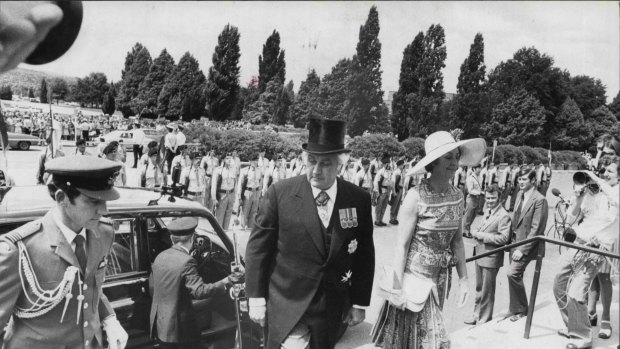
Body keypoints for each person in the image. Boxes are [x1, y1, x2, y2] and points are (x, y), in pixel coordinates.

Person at [245, 118, 375, 349]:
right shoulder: (280, 194)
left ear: (340, 165)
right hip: (286, 304)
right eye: (312, 161)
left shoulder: (358, 199)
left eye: (325, 164)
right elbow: (258, 250)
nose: (316, 170)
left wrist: (358, 301)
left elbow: (364, 255)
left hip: (331, 309)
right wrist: (256, 299)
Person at [0, 156, 128, 349]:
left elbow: (90, 285)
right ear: (62, 198)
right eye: (93, 201)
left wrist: (109, 318)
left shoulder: (103, 233)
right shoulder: (19, 249)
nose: (104, 210)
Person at [371, 130, 484, 348]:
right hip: (413, 280)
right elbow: (401, 247)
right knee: (426, 341)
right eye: (448, 157)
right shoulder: (415, 196)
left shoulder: (458, 196)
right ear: (433, 162)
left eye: (456, 157)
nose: (454, 163)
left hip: (440, 279)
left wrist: (463, 280)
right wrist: (396, 289)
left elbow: (458, 242)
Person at [553, 157, 619, 349]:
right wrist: (579, 197)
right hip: (579, 242)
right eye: (602, 171)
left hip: (596, 249)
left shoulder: (615, 193)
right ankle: (574, 326)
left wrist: (597, 181)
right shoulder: (592, 193)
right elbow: (571, 218)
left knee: (576, 293)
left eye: (610, 172)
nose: (604, 175)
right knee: (558, 284)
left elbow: (615, 200)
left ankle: (582, 338)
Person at [149, 217, 243, 349]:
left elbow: (153, 286)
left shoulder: (160, 256)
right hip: (180, 330)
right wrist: (227, 280)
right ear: (193, 238)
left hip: (161, 324)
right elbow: (199, 291)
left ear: (172, 239)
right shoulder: (187, 261)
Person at [465, 184, 511, 325]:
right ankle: (476, 315)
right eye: (488, 198)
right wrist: (477, 231)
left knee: (487, 291)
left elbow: (504, 238)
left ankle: (484, 319)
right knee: (479, 288)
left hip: (491, 257)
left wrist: (481, 235)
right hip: (481, 254)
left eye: (493, 198)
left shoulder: (503, 215)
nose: (490, 200)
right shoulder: (488, 210)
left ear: (500, 198)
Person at [506, 166, 549, 322]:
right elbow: (515, 218)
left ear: (533, 181)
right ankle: (514, 308)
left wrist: (523, 250)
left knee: (513, 273)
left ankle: (523, 308)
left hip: (527, 245)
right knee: (515, 275)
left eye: (524, 179)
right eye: (519, 179)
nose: (521, 182)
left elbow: (537, 228)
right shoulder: (519, 194)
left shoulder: (540, 199)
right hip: (514, 242)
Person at [234, 155, 263, 229]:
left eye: (256, 160)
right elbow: (240, 184)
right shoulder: (245, 170)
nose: (255, 162)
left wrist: (259, 193)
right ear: (250, 162)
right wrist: (239, 196)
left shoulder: (259, 170)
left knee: (254, 211)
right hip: (247, 192)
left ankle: (251, 227)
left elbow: (260, 183)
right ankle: (243, 227)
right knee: (245, 211)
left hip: (256, 192)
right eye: (253, 160)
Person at [211, 153, 237, 230]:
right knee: (220, 216)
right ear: (223, 160)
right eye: (227, 158)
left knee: (228, 216)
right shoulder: (218, 170)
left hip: (231, 194)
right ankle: (218, 234)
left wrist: (235, 196)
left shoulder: (233, 170)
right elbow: (214, 185)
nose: (229, 160)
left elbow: (235, 184)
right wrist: (214, 198)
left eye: (230, 158)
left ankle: (225, 232)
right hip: (222, 195)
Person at [462, 164, 482, 238]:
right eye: (478, 168)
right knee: (468, 216)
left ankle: (467, 230)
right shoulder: (470, 178)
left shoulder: (478, 177)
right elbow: (470, 190)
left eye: (480, 168)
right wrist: (480, 192)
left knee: (473, 216)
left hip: (477, 199)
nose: (479, 170)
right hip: (471, 199)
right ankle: (465, 231)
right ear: (474, 169)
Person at [373, 155, 392, 226]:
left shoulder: (389, 172)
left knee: (384, 206)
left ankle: (381, 220)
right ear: (385, 164)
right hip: (381, 191)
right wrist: (377, 192)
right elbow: (376, 182)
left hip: (387, 191)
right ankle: (377, 220)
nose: (389, 165)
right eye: (388, 163)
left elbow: (390, 182)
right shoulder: (380, 172)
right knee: (379, 206)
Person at [389, 159, 405, 225]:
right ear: (399, 165)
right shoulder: (396, 172)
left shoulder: (402, 172)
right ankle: (391, 218)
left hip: (401, 189)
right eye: (402, 164)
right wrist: (394, 192)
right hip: (397, 189)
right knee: (394, 204)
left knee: (398, 205)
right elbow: (393, 183)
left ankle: (395, 218)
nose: (403, 165)